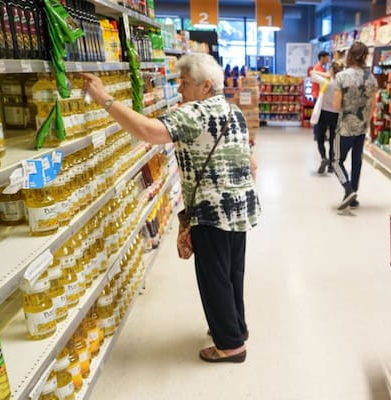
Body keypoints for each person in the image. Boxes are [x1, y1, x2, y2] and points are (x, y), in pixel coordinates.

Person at [80, 53, 260, 364]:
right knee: (232, 273)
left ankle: (231, 345)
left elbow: (148, 132)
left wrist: (104, 98)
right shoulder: (235, 113)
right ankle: (236, 328)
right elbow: (251, 163)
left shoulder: (194, 113)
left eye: (184, 83)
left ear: (205, 86)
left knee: (213, 278)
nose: (179, 89)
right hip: (241, 207)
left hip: (211, 212)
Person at [332, 41, 378, 210]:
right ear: (365, 57)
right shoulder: (371, 78)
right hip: (362, 126)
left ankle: (348, 188)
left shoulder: (341, 77)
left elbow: (336, 106)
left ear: (350, 55)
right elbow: (373, 106)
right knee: (356, 161)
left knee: (336, 161)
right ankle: (353, 197)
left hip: (344, 127)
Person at [310, 61, 344, 174]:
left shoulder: (325, 82)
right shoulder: (341, 84)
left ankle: (324, 157)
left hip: (323, 114)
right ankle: (331, 165)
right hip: (336, 114)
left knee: (320, 139)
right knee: (333, 141)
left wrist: (326, 75)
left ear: (331, 71)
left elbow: (312, 73)